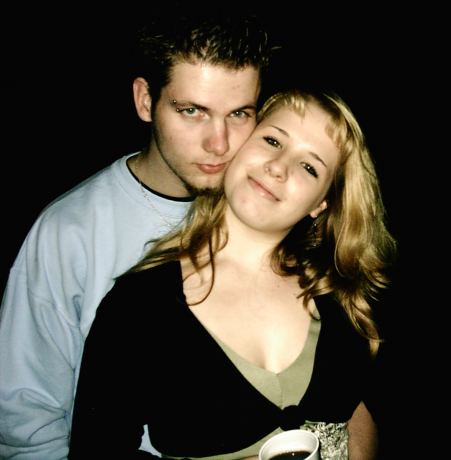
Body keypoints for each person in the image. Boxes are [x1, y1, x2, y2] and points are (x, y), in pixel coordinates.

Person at [0, 6, 273, 459]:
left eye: (239, 113)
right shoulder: (70, 232)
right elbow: (26, 423)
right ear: (145, 101)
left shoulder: (270, 213)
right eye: (192, 111)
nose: (220, 143)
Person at [68, 88, 397, 459]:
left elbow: (358, 410)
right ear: (239, 146)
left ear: (320, 203)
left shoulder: (336, 292)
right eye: (273, 140)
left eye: (310, 167)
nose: (278, 166)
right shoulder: (138, 305)